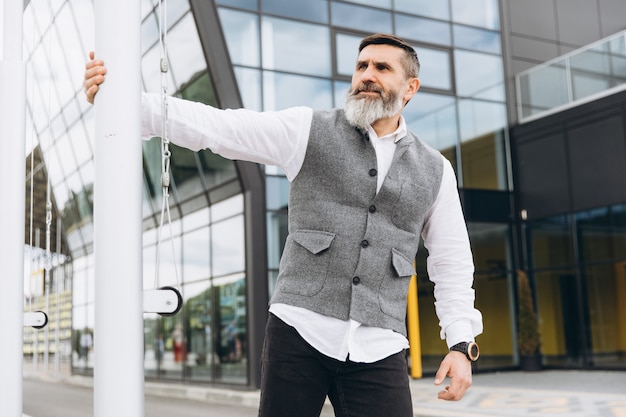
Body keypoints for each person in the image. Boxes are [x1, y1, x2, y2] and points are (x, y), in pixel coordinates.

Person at [84, 33, 483, 417]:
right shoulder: (307, 129)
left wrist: (461, 343)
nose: (366, 75)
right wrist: (122, 103)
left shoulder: (436, 170)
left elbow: (451, 262)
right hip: (299, 331)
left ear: (410, 87)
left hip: (380, 345)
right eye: (361, 66)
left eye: (381, 67)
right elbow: (219, 128)